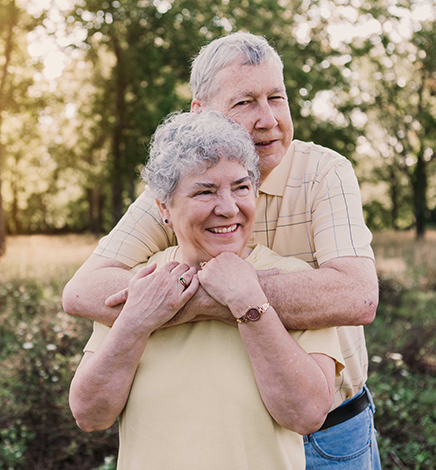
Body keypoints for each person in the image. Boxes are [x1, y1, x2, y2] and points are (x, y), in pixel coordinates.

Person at [63, 32, 381, 469]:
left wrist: (238, 295)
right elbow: (82, 291)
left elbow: (357, 297)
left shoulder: (325, 172)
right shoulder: (175, 185)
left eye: (276, 97)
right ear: (200, 112)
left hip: (331, 429)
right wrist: (162, 303)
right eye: (245, 102)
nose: (268, 119)